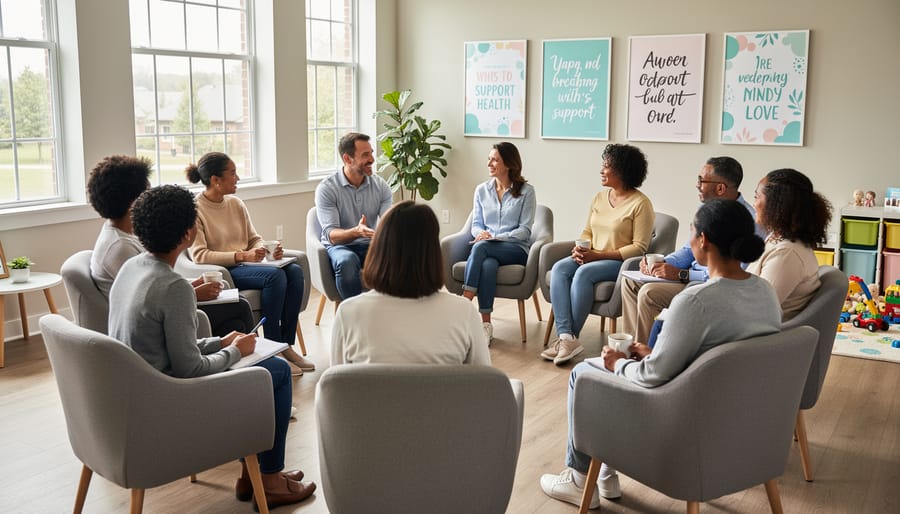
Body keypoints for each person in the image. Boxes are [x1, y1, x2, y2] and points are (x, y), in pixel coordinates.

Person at [540, 199, 780, 509]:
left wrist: (620, 363)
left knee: (584, 373)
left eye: (692, 230)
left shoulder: (695, 302)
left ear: (703, 240)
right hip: (740, 420)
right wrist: (654, 353)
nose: (690, 237)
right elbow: (715, 358)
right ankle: (606, 474)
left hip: (684, 423)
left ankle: (577, 478)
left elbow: (653, 376)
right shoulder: (766, 293)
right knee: (620, 368)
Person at [109, 185, 315, 508]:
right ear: (189, 233)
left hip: (143, 394)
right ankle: (270, 478)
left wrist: (222, 340)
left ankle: (253, 475)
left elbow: (171, 346)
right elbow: (189, 368)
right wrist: (237, 351)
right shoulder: (173, 286)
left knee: (264, 367)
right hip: (172, 403)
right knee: (275, 372)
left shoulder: (131, 268)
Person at [87, 154, 254, 336]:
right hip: (150, 326)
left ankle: (242, 357)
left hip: (157, 311)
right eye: (147, 192)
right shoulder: (120, 248)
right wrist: (194, 293)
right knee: (239, 307)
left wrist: (191, 285)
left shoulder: (124, 235)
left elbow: (154, 286)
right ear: (133, 202)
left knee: (235, 317)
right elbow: (147, 299)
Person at [187, 152, 313, 375]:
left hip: (249, 265)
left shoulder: (235, 203)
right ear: (216, 180)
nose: (237, 178)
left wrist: (264, 249)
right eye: (233, 173)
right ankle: (273, 348)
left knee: (294, 271)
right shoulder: (196, 210)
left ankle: (286, 345)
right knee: (276, 277)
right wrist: (241, 256)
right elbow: (200, 255)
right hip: (226, 270)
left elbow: (253, 237)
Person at [621, 156, 766, 343]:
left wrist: (682, 274)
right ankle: (632, 344)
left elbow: (734, 272)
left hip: (706, 284)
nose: (697, 185)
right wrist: (662, 263)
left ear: (720, 188)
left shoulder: (747, 221)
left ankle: (643, 354)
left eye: (701, 180)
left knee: (649, 293)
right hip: (688, 277)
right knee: (630, 282)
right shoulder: (705, 207)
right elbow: (689, 249)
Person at [331, 201, 490, 365]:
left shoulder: (347, 314)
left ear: (378, 249)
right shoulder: (463, 312)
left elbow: (335, 385)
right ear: (433, 252)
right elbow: (484, 383)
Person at [543, 144, 655, 365]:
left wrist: (597, 255)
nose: (601, 171)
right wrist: (580, 248)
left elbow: (639, 248)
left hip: (619, 263)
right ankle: (567, 337)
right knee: (560, 268)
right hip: (592, 256)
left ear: (622, 170)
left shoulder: (641, 204)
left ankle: (569, 339)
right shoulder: (599, 198)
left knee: (584, 274)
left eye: (606, 166)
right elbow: (588, 230)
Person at [461, 142, 536, 342]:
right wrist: (482, 233)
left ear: (509, 164)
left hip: (515, 248)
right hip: (487, 249)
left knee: (481, 248)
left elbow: (525, 230)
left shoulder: (527, 192)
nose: (489, 163)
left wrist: (497, 238)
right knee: (487, 264)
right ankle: (486, 325)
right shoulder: (481, 190)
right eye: (489, 159)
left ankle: (464, 303)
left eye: (494, 159)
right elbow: (476, 224)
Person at [315, 132, 393, 300]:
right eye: (365, 155)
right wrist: (357, 232)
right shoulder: (327, 188)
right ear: (347, 159)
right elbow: (332, 236)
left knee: (400, 257)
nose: (372, 159)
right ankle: (354, 317)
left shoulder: (381, 186)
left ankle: (390, 314)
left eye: (372, 152)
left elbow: (389, 222)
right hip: (340, 247)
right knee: (347, 261)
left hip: (371, 244)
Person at [749, 168, 833, 321]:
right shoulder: (778, 239)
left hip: (760, 338)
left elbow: (756, 309)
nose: (754, 204)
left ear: (776, 205)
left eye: (756, 197)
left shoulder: (787, 254)